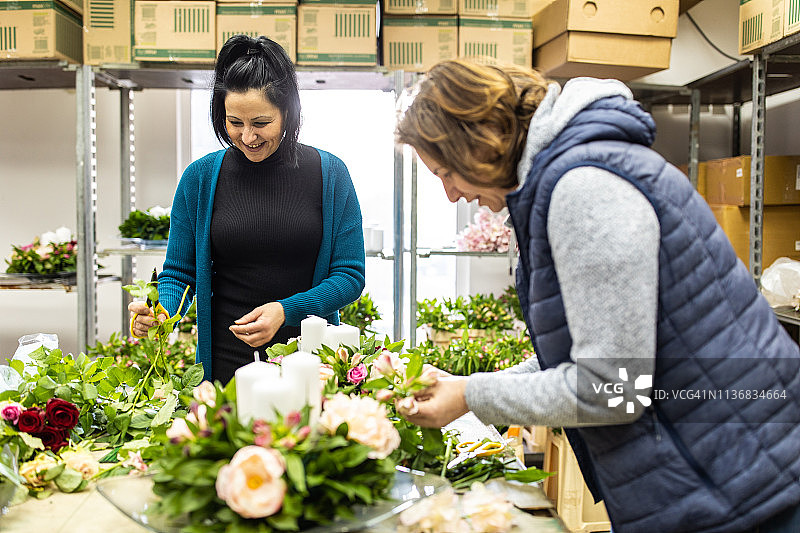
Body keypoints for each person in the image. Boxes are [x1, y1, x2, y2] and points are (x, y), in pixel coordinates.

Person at [395, 59, 800, 533]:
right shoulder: (561, 180)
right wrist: (466, 388)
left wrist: (471, 395)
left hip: (743, 487)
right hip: (718, 475)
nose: (451, 195)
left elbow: (614, 390)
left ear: (479, 143)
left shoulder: (583, 188)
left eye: (447, 172)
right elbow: (582, 357)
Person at [129, 35, 366, 384]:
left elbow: (349, 276)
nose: (248, 138)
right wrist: (162, 312)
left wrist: (286, 311)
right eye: (235, 123)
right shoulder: (200, 179)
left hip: (313, 361)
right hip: (226, 363)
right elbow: (180, 273)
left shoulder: (329, 174)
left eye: (261, 123)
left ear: (288, 112)